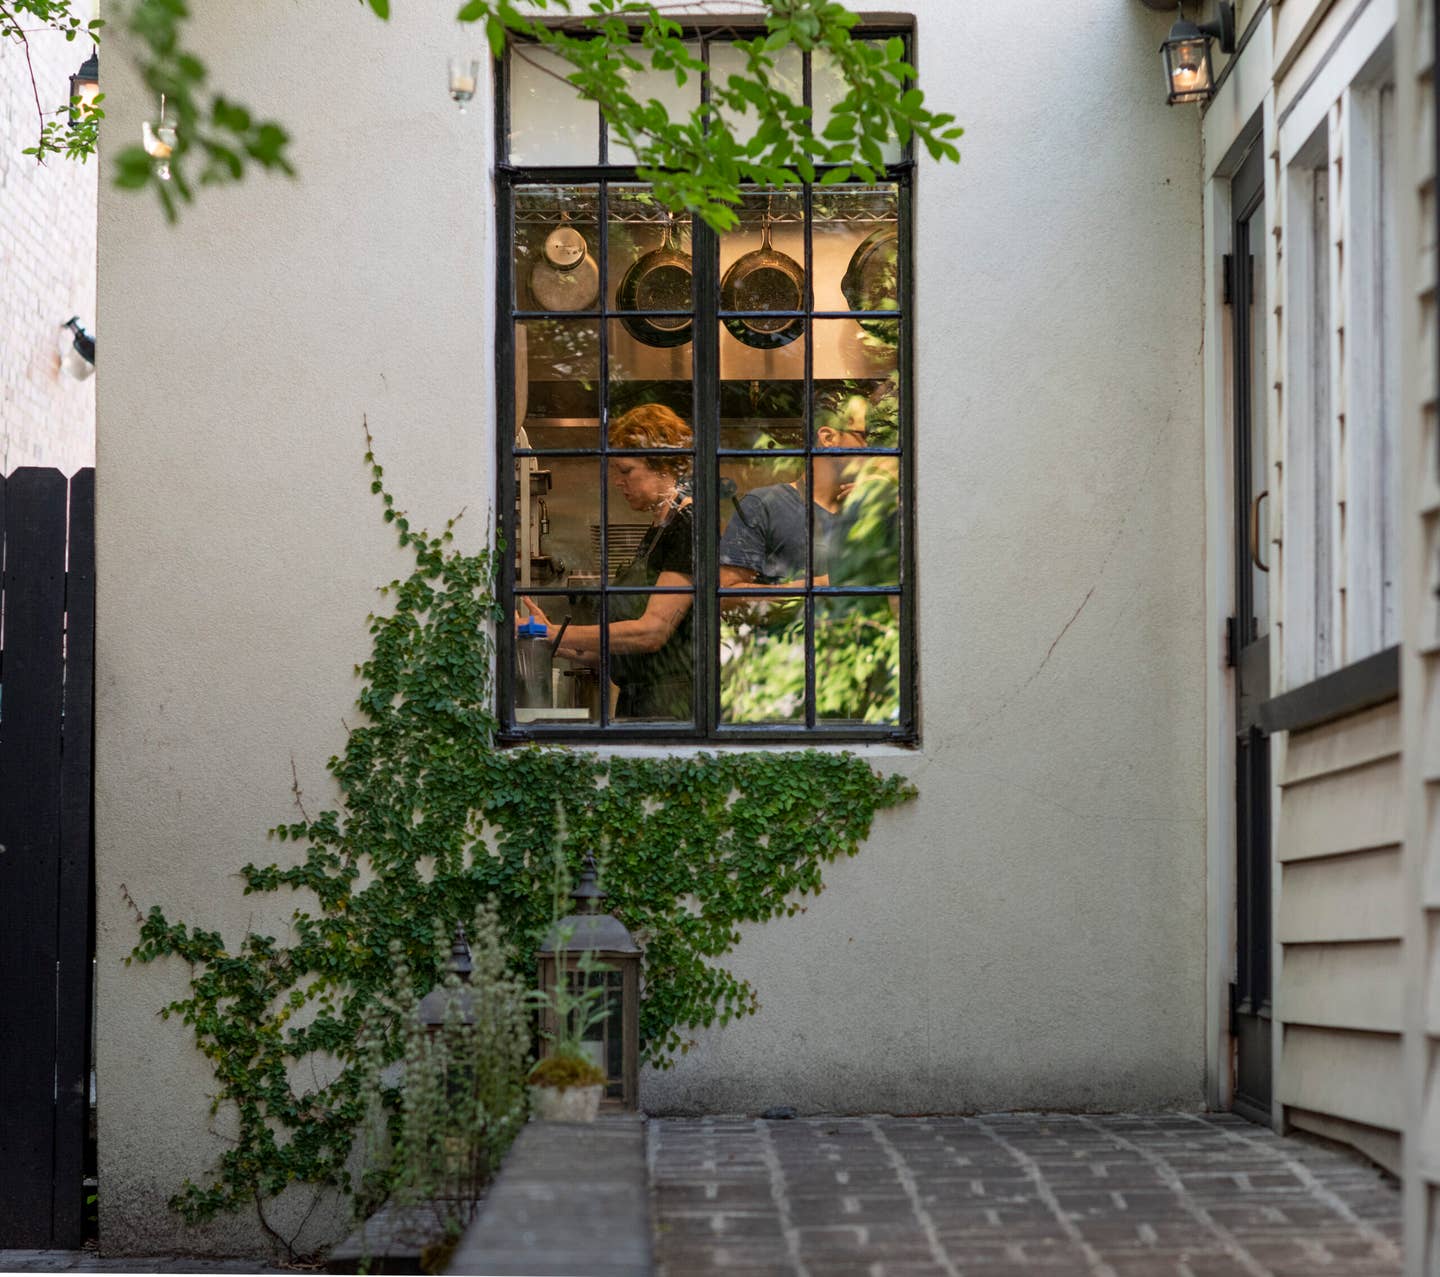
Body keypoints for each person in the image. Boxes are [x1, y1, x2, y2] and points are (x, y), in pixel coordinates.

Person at [521, 403, 694, 720]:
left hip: (674, 710)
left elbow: (652, 632)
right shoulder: (658, 529)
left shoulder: (688, 524)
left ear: (663, 465)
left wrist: (554, 633)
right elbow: (624, 650)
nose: (618, 482)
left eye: (626, 471)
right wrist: (550, 641)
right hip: (642, 706)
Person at [717, 391, 871, 595]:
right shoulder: (763, 505)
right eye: (862, 436)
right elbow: (728, 597)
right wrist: (824, 585)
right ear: (828, 438)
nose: (868, 446)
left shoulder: (872, 506)